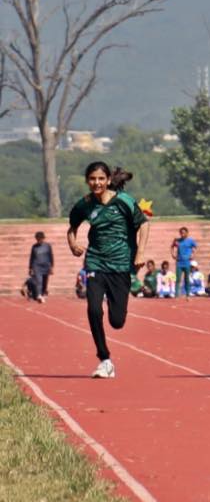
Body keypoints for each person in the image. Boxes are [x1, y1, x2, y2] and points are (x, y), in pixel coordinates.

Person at [67, 162, 149, 378]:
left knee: (117, 321)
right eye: (92, 179)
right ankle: (104, 359)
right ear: (87, 180)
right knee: (93, 310)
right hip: (95, 263)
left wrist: (140, 253)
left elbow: (144, 224)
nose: (97, 183)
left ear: (108, 180)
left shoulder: (124, 201)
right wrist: (73, 244)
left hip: (121, 265)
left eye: (101, 179)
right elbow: (72, 228)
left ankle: (116, 311)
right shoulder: (84, 205)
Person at [28, 231, 54, 303]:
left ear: (43, 238)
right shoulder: (34, 247)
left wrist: (51, 267)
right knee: (39, 281)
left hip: (46, 266)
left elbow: (51, 256)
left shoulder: (48, 246)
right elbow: (32, 257)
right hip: (37, 266)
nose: (39, 240)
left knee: (45, 281)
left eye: (40, 239)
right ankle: (39, 295)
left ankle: (42, 293)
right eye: (37, 239)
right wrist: (30, 268)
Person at [171, 226, 197, 297]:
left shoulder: (190, 241)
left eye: (184, 233)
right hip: (179, 262)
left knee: (187, 279)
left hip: (187, 262)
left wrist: (193, 255)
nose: (182, 234)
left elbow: (194, 247)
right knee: (178, 279)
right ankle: (176, 294)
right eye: (181, 233)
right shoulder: (177, 241)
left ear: (187, 233)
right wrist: (173, 254)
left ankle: (188, 294)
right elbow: (172, 246)